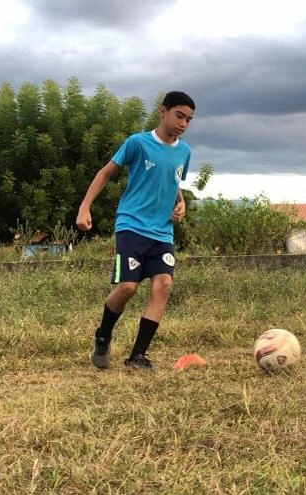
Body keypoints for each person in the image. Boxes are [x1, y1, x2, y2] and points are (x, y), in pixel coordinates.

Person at [76, 91, 195, 370]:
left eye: (189, 119)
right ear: (163, 112)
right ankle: (103, 335)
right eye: (179, 116)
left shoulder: (184, 152)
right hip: (131, 225)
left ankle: (137, 356)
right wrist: (84, 208)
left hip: (162, 232)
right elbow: (105, 173)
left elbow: (173, 180)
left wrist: (181, 204)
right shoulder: (137, 143)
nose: (184, 123)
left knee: (163, 284)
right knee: (128, 286)